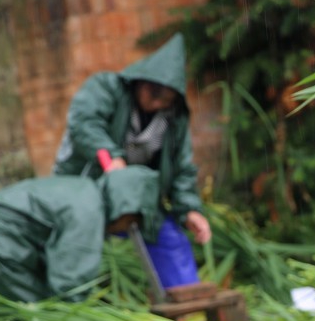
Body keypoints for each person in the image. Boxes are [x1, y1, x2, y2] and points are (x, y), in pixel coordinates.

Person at [53, 33, 212, 289]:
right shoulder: (105, 88)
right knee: (79, 247)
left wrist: (189, 209)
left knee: (169, 238)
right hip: (88, 188)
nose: (156, 101)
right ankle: (77, 299)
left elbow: (181, 166)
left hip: (137, 195)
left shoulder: (173, 119)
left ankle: (187, 303)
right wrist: (110, 158)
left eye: (165, 98)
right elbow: (84, 125)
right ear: (141, 80)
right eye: (153, 92)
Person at [0, 167, 162, 302]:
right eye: (133, 221)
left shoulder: (82, 191)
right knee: (25, 315)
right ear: (127, 206)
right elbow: (69, 286)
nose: (126, 229)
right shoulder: (89, 211)